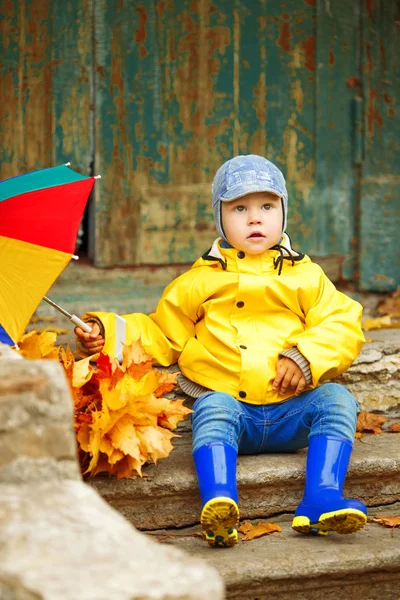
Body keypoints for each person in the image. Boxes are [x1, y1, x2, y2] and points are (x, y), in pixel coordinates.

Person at [75, 154, 367, 547]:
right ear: (219, 216)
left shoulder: (307, 277)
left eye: (267, 206)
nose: (255, 218)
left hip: (291, 410)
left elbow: (343, 323)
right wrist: (106, 333)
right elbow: (161, 333)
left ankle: (322, 496)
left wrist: (306, 356)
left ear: (283, 211)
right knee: (212, 410)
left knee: (337, 400)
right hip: (234, 412)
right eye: (239, 208)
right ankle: (219, 502)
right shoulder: (197, 282)